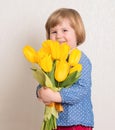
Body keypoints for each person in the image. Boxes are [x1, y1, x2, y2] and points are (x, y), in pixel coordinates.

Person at [36, 8, 94, 130]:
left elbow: (81, 89)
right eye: (54, 32)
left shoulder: (81, 60)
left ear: (77, 33)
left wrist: (56, 96)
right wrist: (41, 92)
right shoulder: (51, 60)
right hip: (56, 121)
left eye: (64, 30)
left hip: (77, 122)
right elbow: (44, 81)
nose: (59, 36)